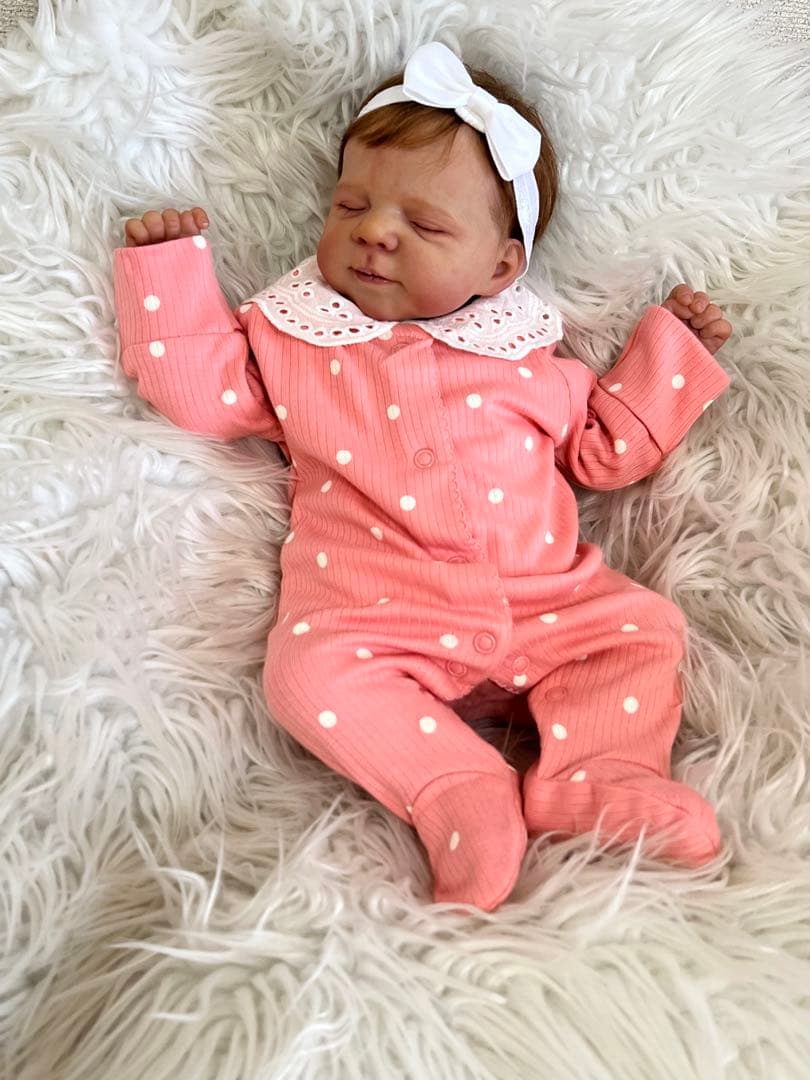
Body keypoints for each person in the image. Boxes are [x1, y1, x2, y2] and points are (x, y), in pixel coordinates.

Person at [114, 42, 733, 911]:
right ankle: (458, 789)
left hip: (546, 605)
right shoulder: (297, 338)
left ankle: (597, 776)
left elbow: (606, 450)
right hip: (375, 613)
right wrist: (168, 271)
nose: (375, 231)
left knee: (641, 633)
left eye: (427, 225)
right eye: (352, 206)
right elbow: (203, 396)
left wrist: (672, 352)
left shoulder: (526, 357)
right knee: (304, 674)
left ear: (500, 268)